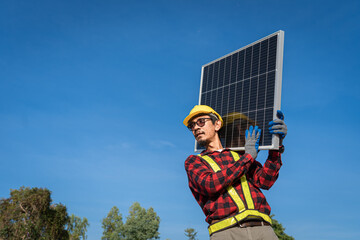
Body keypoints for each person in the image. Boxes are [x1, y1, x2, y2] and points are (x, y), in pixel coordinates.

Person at [183, 105, 287, 240]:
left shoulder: (239, 157)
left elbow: (265, 181)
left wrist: (276, 147)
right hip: (226, 232)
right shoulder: (194, 162)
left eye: (201, 122)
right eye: (191, 126)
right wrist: (248, 157)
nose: (196, 128)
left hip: (263, 229)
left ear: (217, 124)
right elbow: (210, 184)